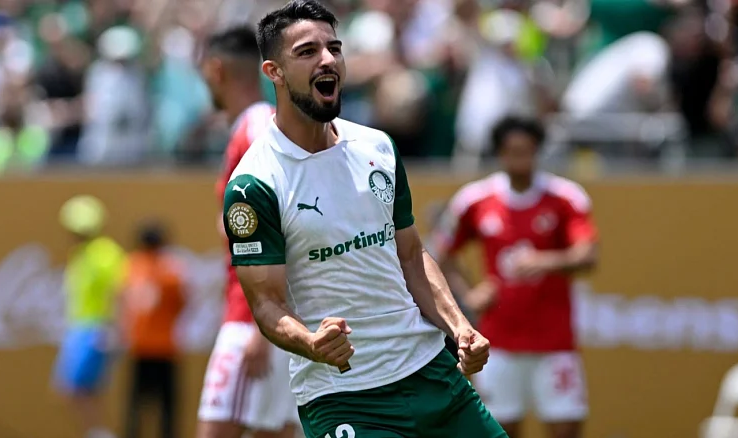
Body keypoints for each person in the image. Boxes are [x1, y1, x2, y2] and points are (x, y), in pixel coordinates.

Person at [221, 1, 506, 437]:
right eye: (307, 51)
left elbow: (411, 255)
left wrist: (459, 327)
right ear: (273, 72)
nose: (327, 60)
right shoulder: (254, 184)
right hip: (344, 396)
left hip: (431, 374)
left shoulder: (378, 148)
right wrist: (312, 343)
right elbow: (266, 304)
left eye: (334, 48)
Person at [429, 117, 599, 438]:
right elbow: (440, 253)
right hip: (498, 343)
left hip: (554, 341)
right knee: (500, 431)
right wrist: (469, 294)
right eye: (512, 151)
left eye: (526, 151)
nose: (519, 160)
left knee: (566, 429)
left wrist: (546, 261)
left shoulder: (565, 197)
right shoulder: (475, 199)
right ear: (500, 153)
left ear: (537, 151)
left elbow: (588, 254)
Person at [196, 24, 297, 438]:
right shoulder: (256, 125)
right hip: (270, 317)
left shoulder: (255, 126)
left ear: (216, 69)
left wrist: (262, 324)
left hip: (250, 318)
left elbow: (282, 214)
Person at [53, 195, 126, 438]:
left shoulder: (106, 252)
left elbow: (119, 291)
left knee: (80, 388)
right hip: (79, 328)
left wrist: (113, 327)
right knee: (78, 388)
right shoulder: (80, 253)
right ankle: (97, 432)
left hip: (96, 329)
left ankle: (100, 433)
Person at [121, 222, 185, 438]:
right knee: (167, 407)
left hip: (140, 345)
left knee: (136, 406)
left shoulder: (132, 266)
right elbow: (180, 303)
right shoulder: (170, 270)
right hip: (164, 346)